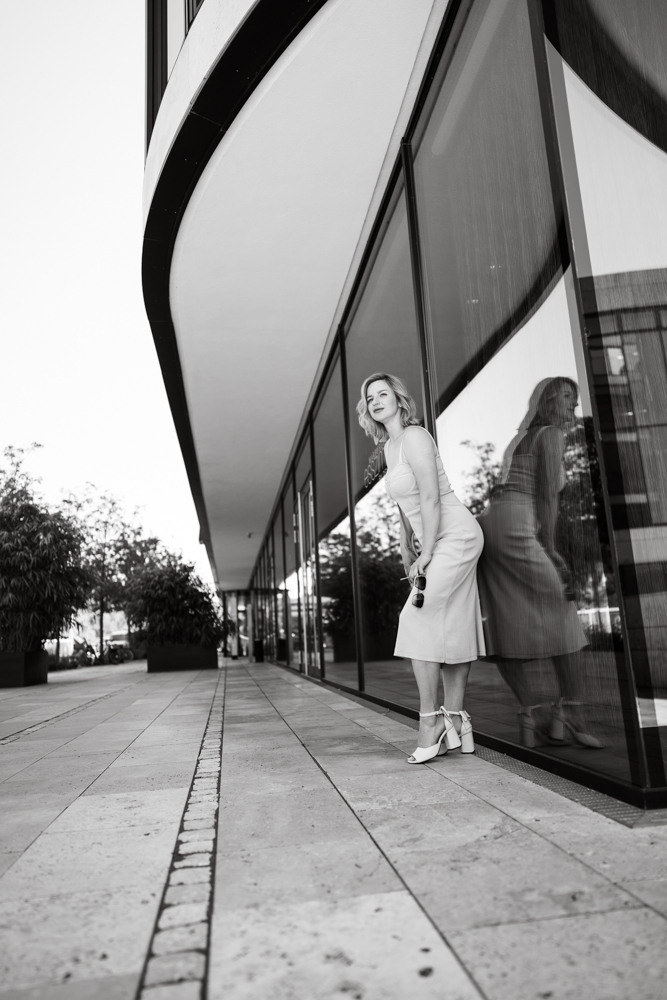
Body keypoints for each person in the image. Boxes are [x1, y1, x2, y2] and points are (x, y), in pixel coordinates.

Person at [357, 372, 485, 763]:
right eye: (370, 397)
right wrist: (404, 546)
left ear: (398, 398)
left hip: (455, 536)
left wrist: (427, 551)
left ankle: (428, 722)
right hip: (434, 539)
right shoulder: (390, 447)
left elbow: (430, 496)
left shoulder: (414, 436)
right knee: (453, 625)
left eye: (383, 393)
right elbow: (405, 507)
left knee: (415, 618)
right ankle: (456, 720)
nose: (377, 401)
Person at [477, 377, 603, 748]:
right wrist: (549, 545)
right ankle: (572, 713)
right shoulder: (550, 434)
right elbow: (547, 497)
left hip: (492, 525)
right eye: (567, 398)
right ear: (546, 402)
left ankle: (530, 713)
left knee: (506, 622)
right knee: (563, 615)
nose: (573, 407)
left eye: (575, 400)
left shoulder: (520, 440)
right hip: (517, 525)